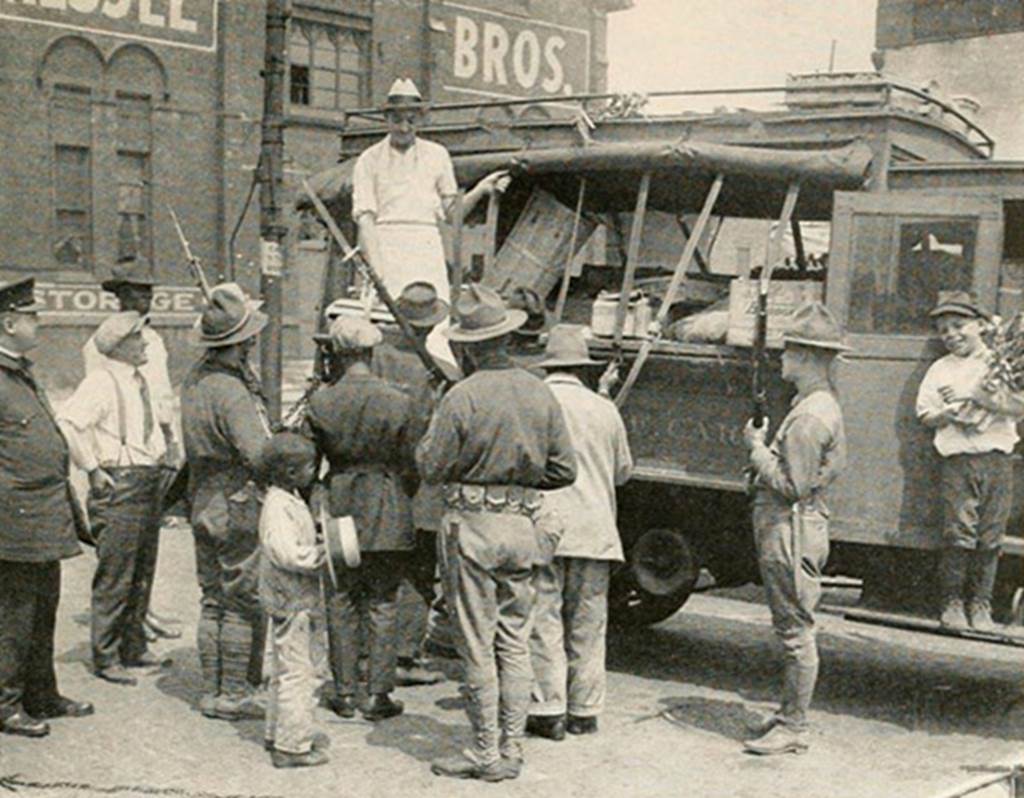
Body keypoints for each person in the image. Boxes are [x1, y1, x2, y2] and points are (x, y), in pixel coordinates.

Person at [416, 284, 577, 782]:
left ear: (467, 346)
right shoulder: (539, 390)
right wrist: (520, 480)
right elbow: (564, 469)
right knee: (514, 637)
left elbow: (431, 466)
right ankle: (512, 749)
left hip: (473, 526)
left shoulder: (461, 396)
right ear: (504, 337)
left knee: (476, 641)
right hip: (523, 526)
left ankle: (485, 752)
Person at [741, 301, 849, 756]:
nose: (782, 358)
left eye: (789, 351)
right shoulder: (818, 405)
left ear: (807, 358)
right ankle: (789, 715)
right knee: (794, 624)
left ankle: (794, 726)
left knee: (794, 628)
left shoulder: (807, 418)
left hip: (790, 527)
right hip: (798, 526)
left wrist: (757, 450)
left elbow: (792, 484)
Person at [304, 316, 419, 722]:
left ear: (336, 353)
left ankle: (344, 690)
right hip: (387, 505)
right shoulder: (399, 400)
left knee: (341, 599)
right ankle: (378, 693)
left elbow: (307, 466)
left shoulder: (321, 401)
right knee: (384, 601)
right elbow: (412, 463)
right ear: (371, 353)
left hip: (340, 505)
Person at [351, 77, 509, 356]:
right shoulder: (369, 159)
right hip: (386, 245)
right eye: (397, 119)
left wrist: (481, 189)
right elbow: (365, 218)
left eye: (411, 120)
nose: (404, 127)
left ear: (420, 120)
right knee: (388, 323)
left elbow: (452, 214)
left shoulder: (437, 156)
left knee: (434, 323)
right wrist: (377, 271)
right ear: (387, 118)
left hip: (426, 247)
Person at [527, 325, 633, 740]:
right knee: (589, 622)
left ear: (549, 365)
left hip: (546, 527)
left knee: (544, 619)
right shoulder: (604, 409)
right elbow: (624, 471)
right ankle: (585, 711)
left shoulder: (535, 404)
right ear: (581, 367)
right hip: (595, 530)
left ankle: (548, 708)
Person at [0, 277, 93, 738]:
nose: (38, 322)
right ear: (8, 322)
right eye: (30, 315)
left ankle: (41, 693)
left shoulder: (21, 371)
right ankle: (6, 703)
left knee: (44, 609)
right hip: (13, 521)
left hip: (43, 514)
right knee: (13, 615)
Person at [58, 312, 168, 686]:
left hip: (146, 477)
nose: (145, 343)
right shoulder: (100, 383)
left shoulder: (141, 381)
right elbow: (69, 424)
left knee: (142, 570)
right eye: (138, 338)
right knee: (116, 574)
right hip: (119, 482)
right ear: (120, 347)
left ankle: (133, 647)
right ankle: (106, 655)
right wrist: (91, 467)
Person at [181, 283, 271, 720]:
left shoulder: (196, 380)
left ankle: (213, 689)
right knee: (240, 596)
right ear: (244, 342)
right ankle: (234, 692)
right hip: (236, 496)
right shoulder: (232, 391)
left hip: (203, 495)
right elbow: (255, 452)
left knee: (213, 595)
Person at [915, 290, 1024, 632]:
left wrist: (978, 399)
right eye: (944, 329)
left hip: (997, 460)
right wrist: (948, 414)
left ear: (980, 325)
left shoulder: (999, 364)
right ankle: (952, 603)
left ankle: (981, 606)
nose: (951, 335)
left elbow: (1019, 407)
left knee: (991, 536)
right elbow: (925, 414)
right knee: (959, 533)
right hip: (959, 462)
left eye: (959, 325)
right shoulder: (939, 368)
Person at [85, 254, 181, 642]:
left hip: (154, 446)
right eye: (138, 292)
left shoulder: (153, 339)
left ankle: (142, 615)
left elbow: (159, 395)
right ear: (120, 295)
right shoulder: (103, 343)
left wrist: (170, 439)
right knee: (122, 549)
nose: (146, 298)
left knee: (146, 543)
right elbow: (103, 405)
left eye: (149, 291)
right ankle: (124, 626)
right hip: (122, 452)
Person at [372, 281, 461, 682]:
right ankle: (404, 655)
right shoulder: (438, 370)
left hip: (380, 478)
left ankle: (374, 653)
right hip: (420, 482)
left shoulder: (376, 359)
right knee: (418, 568)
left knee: (382, 567)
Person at [258, 432, 330, 769]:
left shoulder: (287, 498)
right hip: (294, 598)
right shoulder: (278, 506)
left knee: (286, 667)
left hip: (291, 597)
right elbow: (286, 553)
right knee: (300, 671)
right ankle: (292, 745)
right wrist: (321, 553)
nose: (312, 472)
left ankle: (278, 732)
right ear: (289, 472)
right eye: (308, 467)